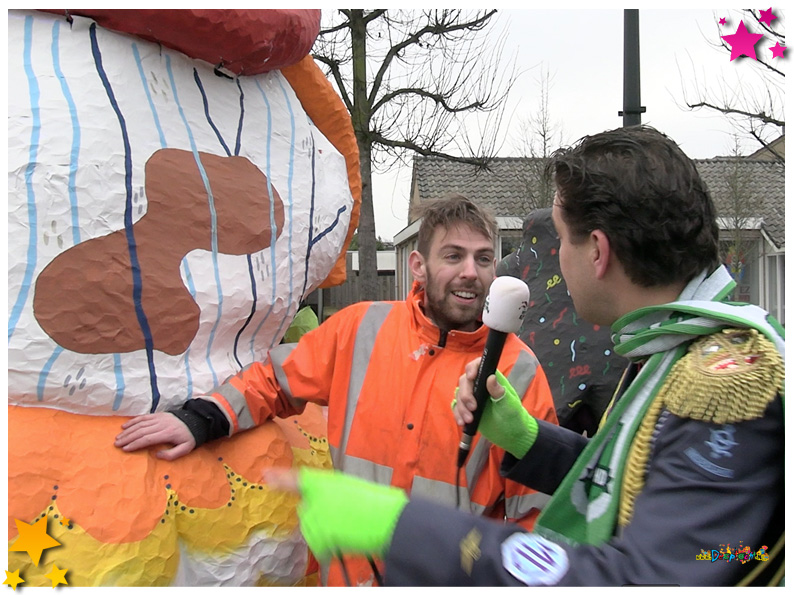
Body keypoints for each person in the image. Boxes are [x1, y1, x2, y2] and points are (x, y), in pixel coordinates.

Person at [278, 126, 785, 586]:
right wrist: (528, 440)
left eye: (561, 240)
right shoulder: (674, 349)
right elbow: (631, 483)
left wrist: (401, 527)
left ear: (598, 252)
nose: (556, 259)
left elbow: (647, 577)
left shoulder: (724, 386)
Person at [115, 193, 558, 586]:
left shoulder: (518, 371)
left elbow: (536, 519)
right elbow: (272, 381)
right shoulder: (360, 328)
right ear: (418, 266)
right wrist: (200, 420)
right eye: (454, 256)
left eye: (483, 259)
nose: (470, 273)